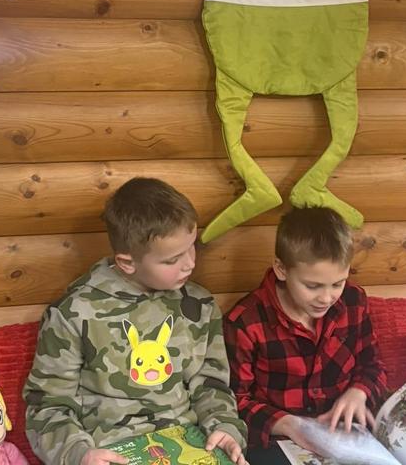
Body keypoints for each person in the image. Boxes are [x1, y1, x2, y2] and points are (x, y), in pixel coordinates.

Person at [23, 178, 247, 465]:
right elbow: (47, 404)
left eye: (192, 247)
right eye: (172, 260)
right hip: (110, 450)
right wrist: (78, 454)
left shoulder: (199, 304)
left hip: (190, 442)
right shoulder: (74, 312)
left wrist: (225, 428)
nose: (190, 263)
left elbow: (211, 385)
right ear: (127, 262)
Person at [223, 207, 386, 454]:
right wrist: (287, 424)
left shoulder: (353, 301)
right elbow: (235, 401)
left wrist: (358, 392)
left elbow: (373, 364)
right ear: (281, 269)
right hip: (278, 441)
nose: (327, 297)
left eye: (338, 283)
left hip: (344, 439)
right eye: (313, 286)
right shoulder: (245, 322)